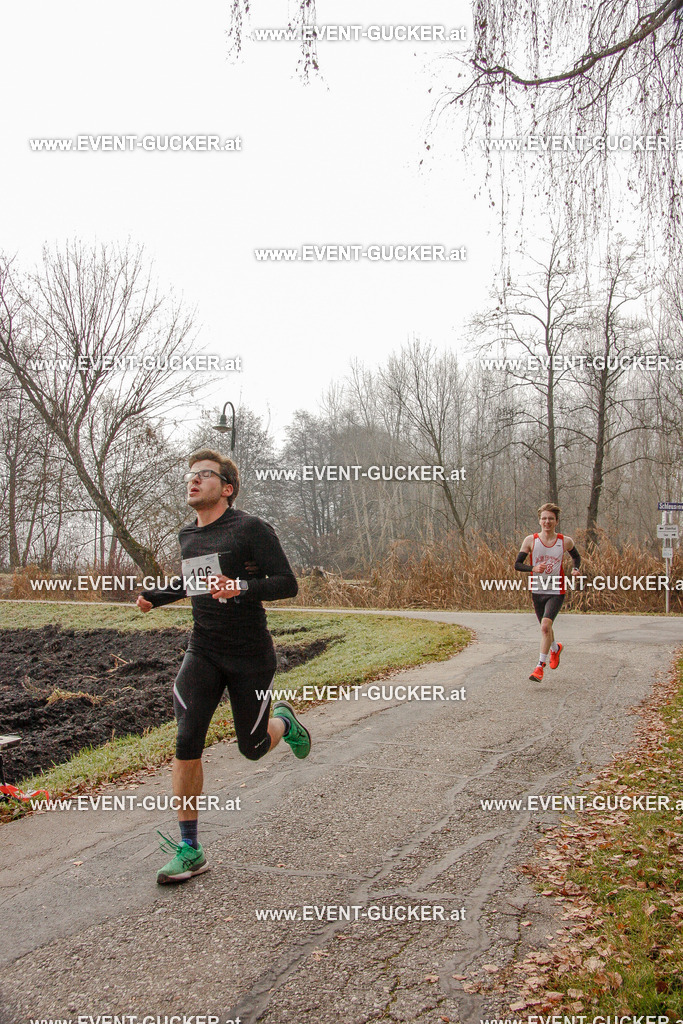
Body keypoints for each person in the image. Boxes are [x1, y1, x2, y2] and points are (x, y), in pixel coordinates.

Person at [136, 448, 309, 884]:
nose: (192, 481)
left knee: (251, 749)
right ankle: (190, 848)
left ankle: (284, 724)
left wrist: (241, 586)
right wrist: (156, 597)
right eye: (190, 475)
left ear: (226, 488)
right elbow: (191, 582)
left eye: (204, 475)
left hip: (251, 656)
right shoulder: (187, 537)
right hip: (204, 650)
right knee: (186, 735)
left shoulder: (251, 528)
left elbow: (287, 584)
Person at [514, 502, 582, 681]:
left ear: (556, 521)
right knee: (546, 628)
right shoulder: (531, 540)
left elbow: (576, 556)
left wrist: (575, 569)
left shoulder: (564, 541)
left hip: (556, 589)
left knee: (545, 626)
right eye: (544, 518)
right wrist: (533, 568)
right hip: (537, 590)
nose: (547, 522)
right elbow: (517, 565)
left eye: (551, 519)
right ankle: (555, 649)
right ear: (539, 521)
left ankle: (539, 667)